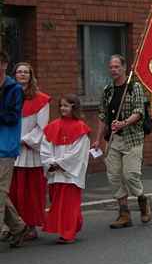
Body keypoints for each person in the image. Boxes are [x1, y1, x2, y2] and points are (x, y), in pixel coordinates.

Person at [93, 55, 150, 229]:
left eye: (117, 67)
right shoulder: (108, 90)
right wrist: (97, 140)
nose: (113, 70)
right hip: (113, 139)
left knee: (130, 175)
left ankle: (142, 200)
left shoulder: (134, 87)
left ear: (124, 68)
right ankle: (124, 213)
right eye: (111, 67)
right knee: (114, 177)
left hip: (132, 138)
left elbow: (139, 111)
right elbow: (103, 115)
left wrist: (124, 123)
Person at [41, 95, 91, 244]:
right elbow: (45, 147)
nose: (63, 108)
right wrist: (50, 162)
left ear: (74, 108)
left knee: (69, 204)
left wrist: (60, 163)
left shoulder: (81, 128)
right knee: (57, 202)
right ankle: (73, 224)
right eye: (61, 105)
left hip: (70, 173)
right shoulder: (53, 126)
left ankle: (68, 234)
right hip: (56, 172)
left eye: (67, 106)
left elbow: (78, 153)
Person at [9, 62, 50, 241]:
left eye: (26, 72)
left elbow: (43, 128)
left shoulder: (40, 99)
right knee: (12, 191)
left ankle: (31, 225)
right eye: (19, 72)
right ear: (14, 75)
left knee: (31, 192)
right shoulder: (8, 95)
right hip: (9, 149)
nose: (22, 75)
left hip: (29, 151)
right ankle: (15, 226)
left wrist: (24, 139)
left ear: (31, 75)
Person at [0, 50, 28, 248]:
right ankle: (18, 227)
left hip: (5, 147)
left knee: (0, 192)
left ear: (4, 65)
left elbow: (11, 117)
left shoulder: (14, 89)